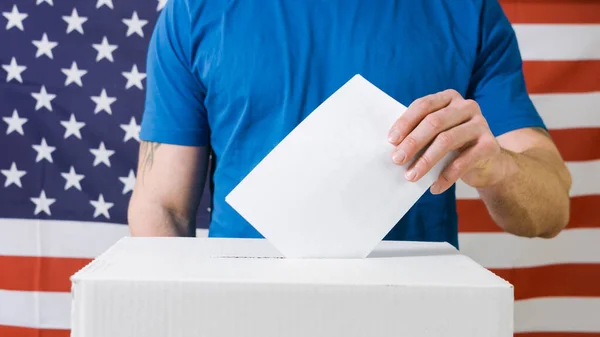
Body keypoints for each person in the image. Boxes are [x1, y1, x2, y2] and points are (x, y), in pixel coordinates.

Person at [128, 0, 572, 248]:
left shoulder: (468, 11)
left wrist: (495, 167)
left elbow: (551, 212)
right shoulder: (194, 12)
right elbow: (161, 207)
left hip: (415, 313)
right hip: (242, 310)